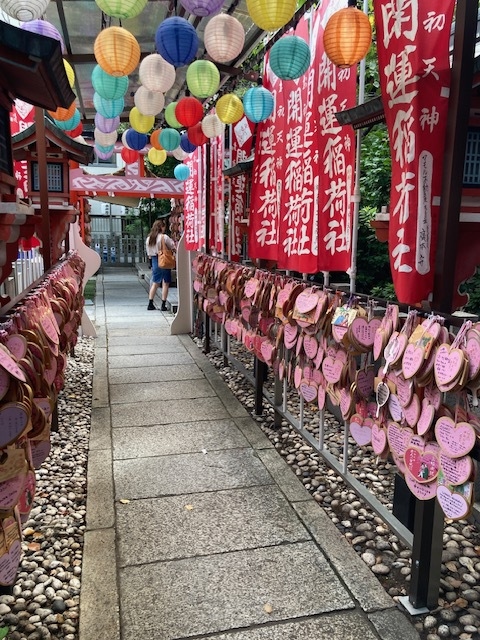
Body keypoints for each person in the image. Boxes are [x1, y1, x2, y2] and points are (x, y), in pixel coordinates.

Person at [145, 218, 176, 311]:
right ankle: (163, 304)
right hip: (164, 260)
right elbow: (172, 246)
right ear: (161, 227)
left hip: (154, 260)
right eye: (164, 227)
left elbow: (149, 253)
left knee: (155, 282)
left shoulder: (149, 238)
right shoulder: (164, 237)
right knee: (166, 282)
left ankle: (150, 303)